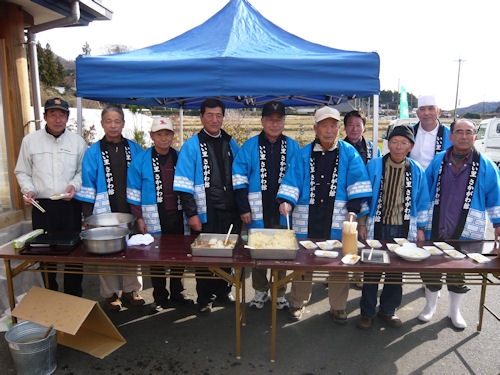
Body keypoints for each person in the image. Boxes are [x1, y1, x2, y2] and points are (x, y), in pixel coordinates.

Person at [277, 106, 372, 322]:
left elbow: (358, 185)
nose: (329, 131)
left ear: (339, 128)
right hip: (306, 217)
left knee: (339, 263)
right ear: (315, 129)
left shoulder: (349, 153)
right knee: (303, 260)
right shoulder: (303, 154)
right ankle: (297, 302)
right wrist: (287, 202)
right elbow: (292, 180)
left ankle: (338, 306)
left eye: (333, 126)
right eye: (324, 126)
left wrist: (353, 212)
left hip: (338, 218)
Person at [419, 119, 500, 329]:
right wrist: (419, 224)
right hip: (435, 227)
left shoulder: (486, 165)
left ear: (475, 136)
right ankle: (430, 306)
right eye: (459, 132)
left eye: (469, 132)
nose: (464, 136)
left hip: (467, 233)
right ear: (451, 136)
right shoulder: (438, 160)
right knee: (431, 270)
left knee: (459, 273)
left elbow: (496, 198)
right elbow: (424, 192)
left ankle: (454, 312)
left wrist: (498, 224)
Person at [356, 125, 429, 329]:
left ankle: (388, 310)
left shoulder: (416, 170)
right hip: (376, 225)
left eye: (403, 143)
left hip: (403, 228)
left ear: (411, 146)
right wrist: (362, 222)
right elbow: (363, 194)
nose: (398, 147)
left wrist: (421, 228)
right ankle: (367, 312)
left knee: (396, 272)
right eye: (394, 142)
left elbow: (423, 201)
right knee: (371, 270)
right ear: (387, 143)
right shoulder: (374, 165)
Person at [174, 98, 241, 314]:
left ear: (223, 117)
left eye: (219, 115)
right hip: (207, 211)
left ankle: (224, 290)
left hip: (230, 211)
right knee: (206, 256)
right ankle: (204, 297)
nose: (214, 119)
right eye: (210, 115)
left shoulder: (231, 143)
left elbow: (239, 177)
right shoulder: (191, 145)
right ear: (201, 117)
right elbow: (183, 185)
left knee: (227, 253)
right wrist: (192, 214)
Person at [15, 98, 87, 296]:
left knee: (74, 253)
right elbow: (22, 171)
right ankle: (51, 295)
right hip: (42, 207)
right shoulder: (30, 141)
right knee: (44, 253)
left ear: (67, 117)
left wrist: (74, 185)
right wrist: (28, 190)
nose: (57, 119)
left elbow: (83, 172)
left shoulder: (77, 142)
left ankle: (74, 297)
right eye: (53, 114)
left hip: (70, 205)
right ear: (45, 116)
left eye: (62, 114)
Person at [75, 105, 145, 311]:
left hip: (129, 209)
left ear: (123, 124)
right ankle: (110, 293)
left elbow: (143, 178)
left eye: (117, 121)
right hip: (104, 212)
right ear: (102, 123)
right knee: (106, 254)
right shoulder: (93, 152)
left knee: (132, 251)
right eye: (109, 121)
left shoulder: (134, 149)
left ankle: (131, 290)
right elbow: (87, 186)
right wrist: (88, 218)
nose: (113, 125)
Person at [232, 101, 300, 310]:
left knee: (281, 253)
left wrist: (289, 201)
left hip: (283, 211)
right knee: (258, 253)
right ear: (262, 121)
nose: (274, 124)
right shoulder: (250, 146)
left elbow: (298, 177)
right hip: (256, 211)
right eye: (270, 120)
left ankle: (279, 293)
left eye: (279, 119)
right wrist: (243, 208)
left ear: (284, 122)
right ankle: (260, 291)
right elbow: (238, 178)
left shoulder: (293, 146)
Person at [127, 117, 193, 311]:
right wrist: (139, 218)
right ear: (152, 136)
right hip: (153, 216)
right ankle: (159, 296)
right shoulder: (141, 160)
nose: (164, 138)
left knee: (178, 255)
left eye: (167, 134)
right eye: (159, 134)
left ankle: (177, 292)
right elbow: (133, 192)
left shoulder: (180, 157)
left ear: (173, 136)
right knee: (155, 257)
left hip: (178, 215)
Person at [343, 109, 380, 289]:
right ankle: (338, 271)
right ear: (344, 128)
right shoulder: (339, 148)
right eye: (350, 125)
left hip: (368, 201)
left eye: (358, 125)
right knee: (344, 236)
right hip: (345, 200)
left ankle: (358, 274)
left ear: (364, 128)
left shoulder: (374, 149)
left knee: (363, 238)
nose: (354, 129)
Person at [410, 95, 452, 169]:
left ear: (439, 112)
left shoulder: (451, 135)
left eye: (431, 108)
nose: (426, 113)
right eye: (422, 109)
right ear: (417, 113)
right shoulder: (409, 133)